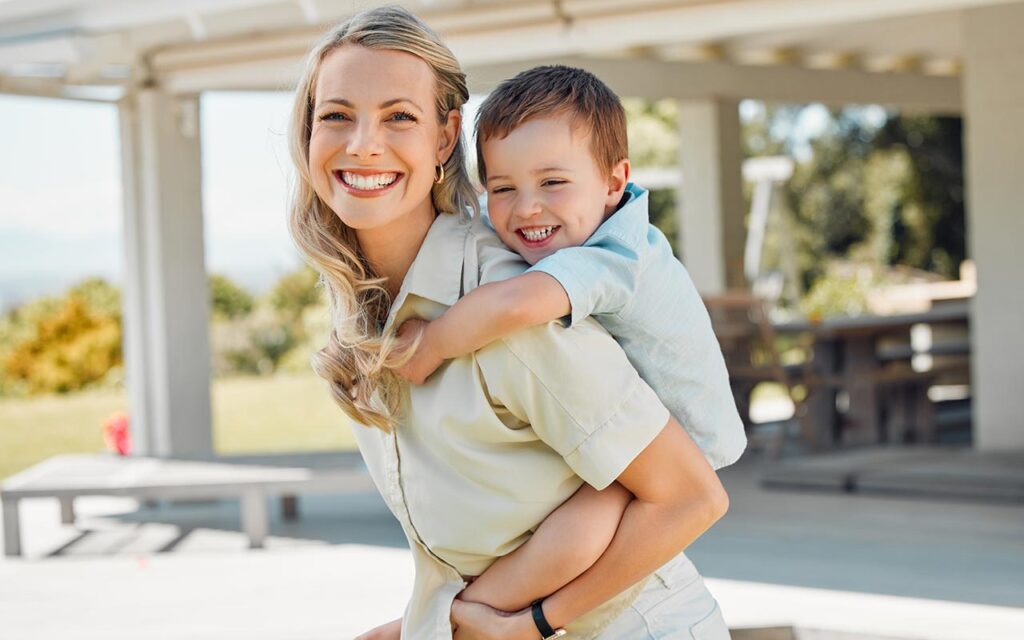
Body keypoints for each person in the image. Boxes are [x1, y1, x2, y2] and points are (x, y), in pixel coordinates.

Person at [289, 6, 733, 639]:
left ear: (445, 139)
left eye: (399, 117)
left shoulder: (509, 304)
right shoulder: (366, 311)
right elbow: (492, 539)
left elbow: (694, 497)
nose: (363, 142)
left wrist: (535, 623)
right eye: (336, 115)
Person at [391, 64, 747, 621]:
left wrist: (432, 343)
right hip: (648, 428)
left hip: (684, 440)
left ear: (613, 181)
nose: (527, 207)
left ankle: (464, 620)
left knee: (576, 536)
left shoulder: (615, 256)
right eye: (503, 189)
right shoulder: (596, 232)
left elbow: (515, 303)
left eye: (552, 182)